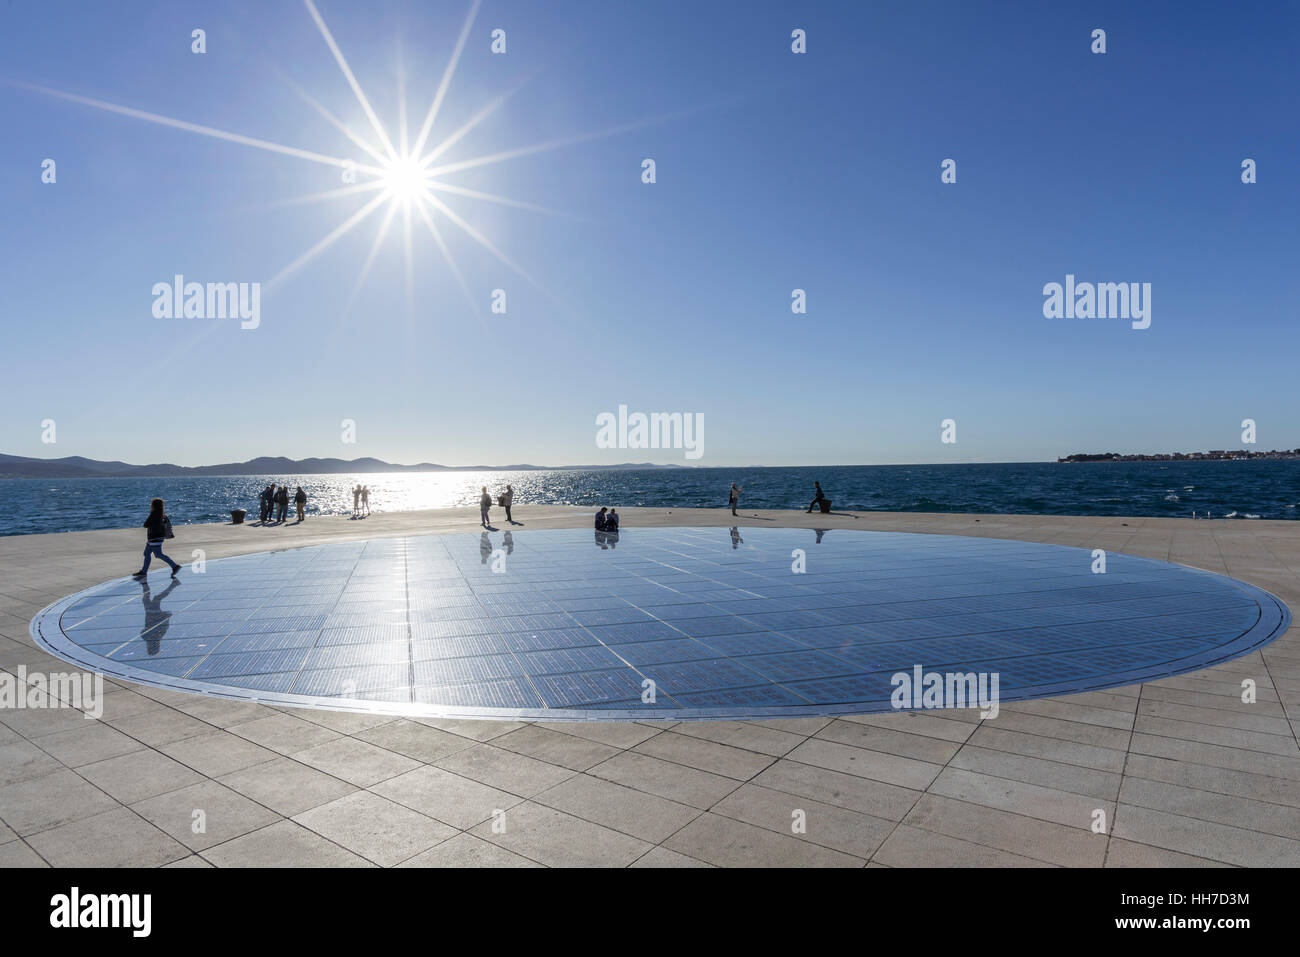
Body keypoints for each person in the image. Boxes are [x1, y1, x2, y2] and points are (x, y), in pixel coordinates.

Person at [133, 498, 182, 578]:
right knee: (147, 553)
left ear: (153, 506)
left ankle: (175, 566)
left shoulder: (154, 514)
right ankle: (143, 572)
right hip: (158, 537)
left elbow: (145, 524)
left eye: (151, 504)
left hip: (154, 538)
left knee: (158, 554)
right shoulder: (162, 514)